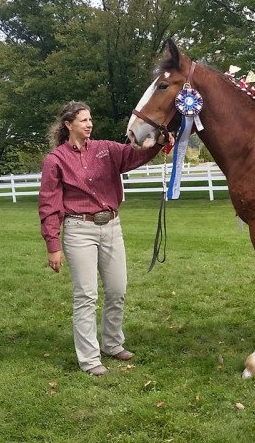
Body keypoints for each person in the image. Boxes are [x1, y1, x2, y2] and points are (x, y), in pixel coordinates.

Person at [39, 101, 165, 376]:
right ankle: (89, 358)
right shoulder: (55, 160)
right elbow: (49, 205)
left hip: (111, 227)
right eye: (83, 120)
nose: (89, 124)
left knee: (117, 290)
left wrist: (158, 142)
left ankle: (112, 343)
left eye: (90, 119)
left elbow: (135, 156)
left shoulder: (106, 149)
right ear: (68, 125)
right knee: (86, 295)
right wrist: (53, 245)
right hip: (78, 230)